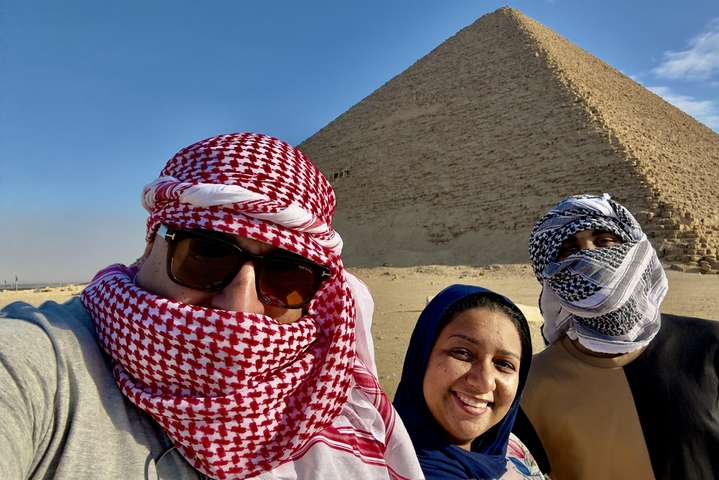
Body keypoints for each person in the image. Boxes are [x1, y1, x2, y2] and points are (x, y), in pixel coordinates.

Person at [0, 133, 423, 480]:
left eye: (287, 277)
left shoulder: (339, 403)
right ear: (152, 243)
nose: (239, 308)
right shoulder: (42, 364)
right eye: (205, 254)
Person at [517, 193, 719, 480]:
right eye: (569, 249)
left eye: (605, 240)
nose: (590, 255)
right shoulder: (531, 382)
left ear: (635, 250)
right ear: (549, 273)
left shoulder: (707, 343)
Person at [393, 284, 547, 480]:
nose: (484, 381)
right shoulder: (374, 467)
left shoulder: (511, 450)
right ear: (421, 357)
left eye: (503, 364)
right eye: (463, 353)